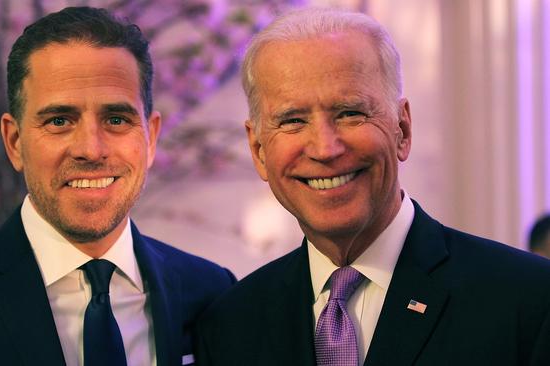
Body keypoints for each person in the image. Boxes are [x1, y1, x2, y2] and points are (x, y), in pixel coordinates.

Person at [195, 7, 550, 366]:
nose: (325, 148)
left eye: (350, 113)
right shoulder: (230, 326)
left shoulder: (528, 301)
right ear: (258, 150)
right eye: (293, 120)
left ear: (402, 129)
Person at [0, 7, 234, 366]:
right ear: (14, 142)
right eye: (59, 120)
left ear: (150, 138)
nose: (91, 149)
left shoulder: (213, 293)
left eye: (117, 119)